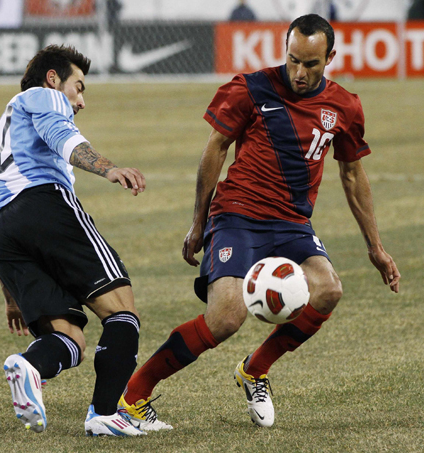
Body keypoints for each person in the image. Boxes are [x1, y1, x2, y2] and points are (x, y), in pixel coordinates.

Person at [117, 14, 401, 430]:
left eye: (311, 64)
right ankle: (132, 398)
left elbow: (353, 175)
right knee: (226, 318)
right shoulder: (251, 88)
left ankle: (254, 370)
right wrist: (198, 224)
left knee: (328, 290)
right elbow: (215, 150)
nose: (299, 73)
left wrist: (376, 247)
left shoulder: (345, 106)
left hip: (292, 224)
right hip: (238, 216)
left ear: (331, 58)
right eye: (293, 60)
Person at [0, 44, 147, 437]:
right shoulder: (43, 96)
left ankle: (30, 367)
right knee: (121, 311)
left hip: (2, 234)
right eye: (79, 86)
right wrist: (108, 169)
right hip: (44, 205)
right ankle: (105, 415)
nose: (81, 100)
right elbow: (63, 136)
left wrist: (11, 296)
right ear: (54, 78)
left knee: (68, 338)